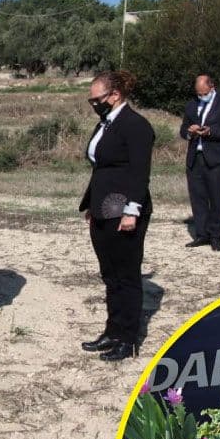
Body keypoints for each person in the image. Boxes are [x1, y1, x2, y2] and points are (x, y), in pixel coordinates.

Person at [78, 71, 154, 362]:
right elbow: (102, 169)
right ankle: (112, 330)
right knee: (110, 275)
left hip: (124, 210)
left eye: (96, 99)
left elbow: (139, 173)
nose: (94, 104)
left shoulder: (136, 126)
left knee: (127, 276)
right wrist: (91, 205)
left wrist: (131, 211)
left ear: (115, 95)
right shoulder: (106, 124)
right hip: (102, 208)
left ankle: (128, 339)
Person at [179, 74, 220, 251]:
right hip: (195, 159)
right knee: (198, 198)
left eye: (204, 93)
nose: (201, 96)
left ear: (212, 87)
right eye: (198, 94)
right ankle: (201, 234)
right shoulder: (191, 105)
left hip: (217, 159)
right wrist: (190, 132)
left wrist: (210, 132)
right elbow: (183, 130)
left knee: (216, 199)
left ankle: (215, 236)